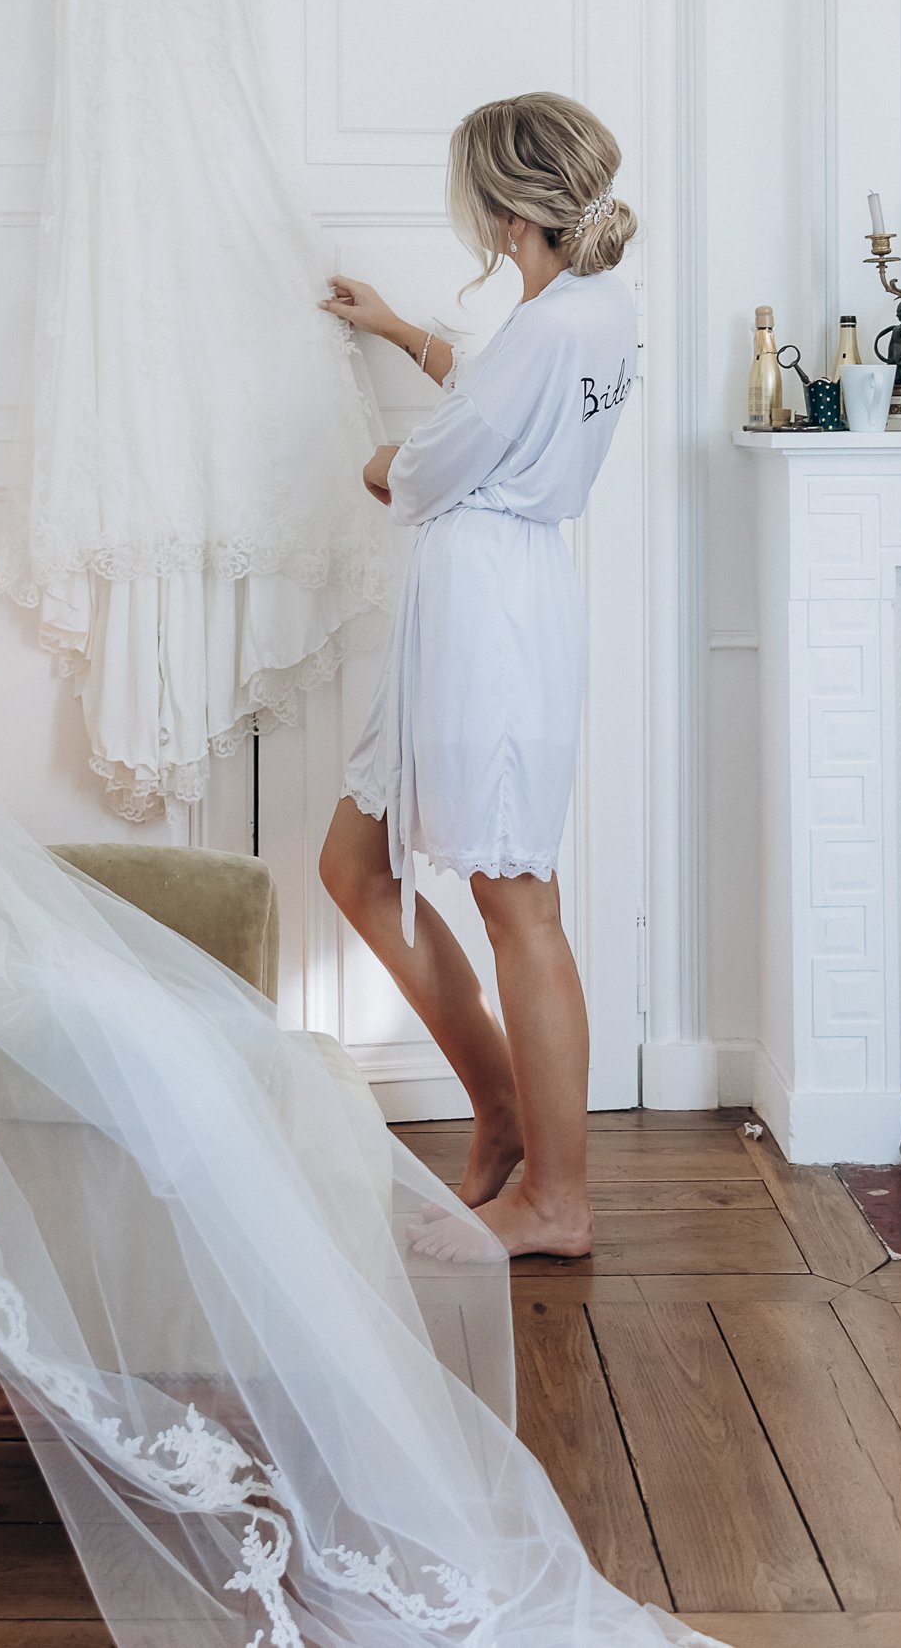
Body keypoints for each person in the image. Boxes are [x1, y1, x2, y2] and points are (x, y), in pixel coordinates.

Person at [318, 92, 638, 1262]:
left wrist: (372, 459)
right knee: (355, 865)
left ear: (509, 215)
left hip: (490, 621)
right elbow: (495, 389)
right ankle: (502, 1106)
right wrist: (402, 330)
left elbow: (431, 462)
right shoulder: (591, 306)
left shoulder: (556, 329)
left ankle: (557, 1198)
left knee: (518, 903)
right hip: (493, 606)